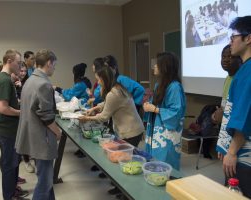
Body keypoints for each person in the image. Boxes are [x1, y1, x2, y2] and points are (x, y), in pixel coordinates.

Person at [79, 66, 145, 198]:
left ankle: (126, 192)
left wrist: (87, 118)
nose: (98, 83)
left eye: (99, 80)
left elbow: (104, 117)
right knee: (121, 160)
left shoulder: (113, 93)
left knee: (124, 161)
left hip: (131, 131)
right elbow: (107, 103)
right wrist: (95, 108)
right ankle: (119, 188)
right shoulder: (117, 88)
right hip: (132, 129)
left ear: (104, 79)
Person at [16, 49, 62, 200]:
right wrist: (57, 132)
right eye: (54, 65)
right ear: (49, 63)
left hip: (33, 136)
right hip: (42, 138)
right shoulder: (43, 84)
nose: (54, 68)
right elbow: (46, 116)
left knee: (45, 177)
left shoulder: (30, 80)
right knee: (45, 182)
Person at [216, 16, 251, 198]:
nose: (230, 42)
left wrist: (230, 152)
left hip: (243, 155)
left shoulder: (248, 71)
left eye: (233, 37)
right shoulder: (243, 70)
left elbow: (243, 117)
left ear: (248, 38)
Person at [0, 49, 28, 200]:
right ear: (9, 61)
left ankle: (13, 188)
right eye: (18, 62)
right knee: (9, 164)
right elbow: (3, 108)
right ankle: (9, 195)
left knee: (12, 161)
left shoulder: (4, 78)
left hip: (5, 128)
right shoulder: (5, 80)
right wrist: (22, 112)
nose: (20, 66)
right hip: (7, 130)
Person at [143, 52, 186, 170]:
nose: (154, 66)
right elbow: (154, 104)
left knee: (165, 162)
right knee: (153, 160)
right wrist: (148, 105)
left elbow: (176, 112)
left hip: (166, 133)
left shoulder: (175, 87)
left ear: (165, 67)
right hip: (156, 128)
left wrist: (155, 109)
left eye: (157, 64)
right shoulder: (159, 84)